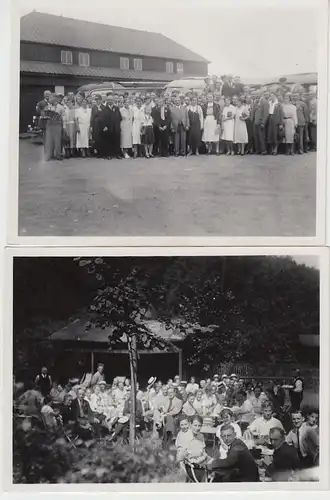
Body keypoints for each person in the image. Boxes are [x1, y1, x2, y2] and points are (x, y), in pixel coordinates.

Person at [43, 94, 66, 161]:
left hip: (57, 125)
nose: (49, 99)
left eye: (50, 98)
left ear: (55, 99)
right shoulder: (48, 107)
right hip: (49, 125)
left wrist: (64, 127)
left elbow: (64, 118)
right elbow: (44, 115)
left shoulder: (61, 108)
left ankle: (58, 155)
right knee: (49, 141)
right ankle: (49, 155)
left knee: (57, 141)